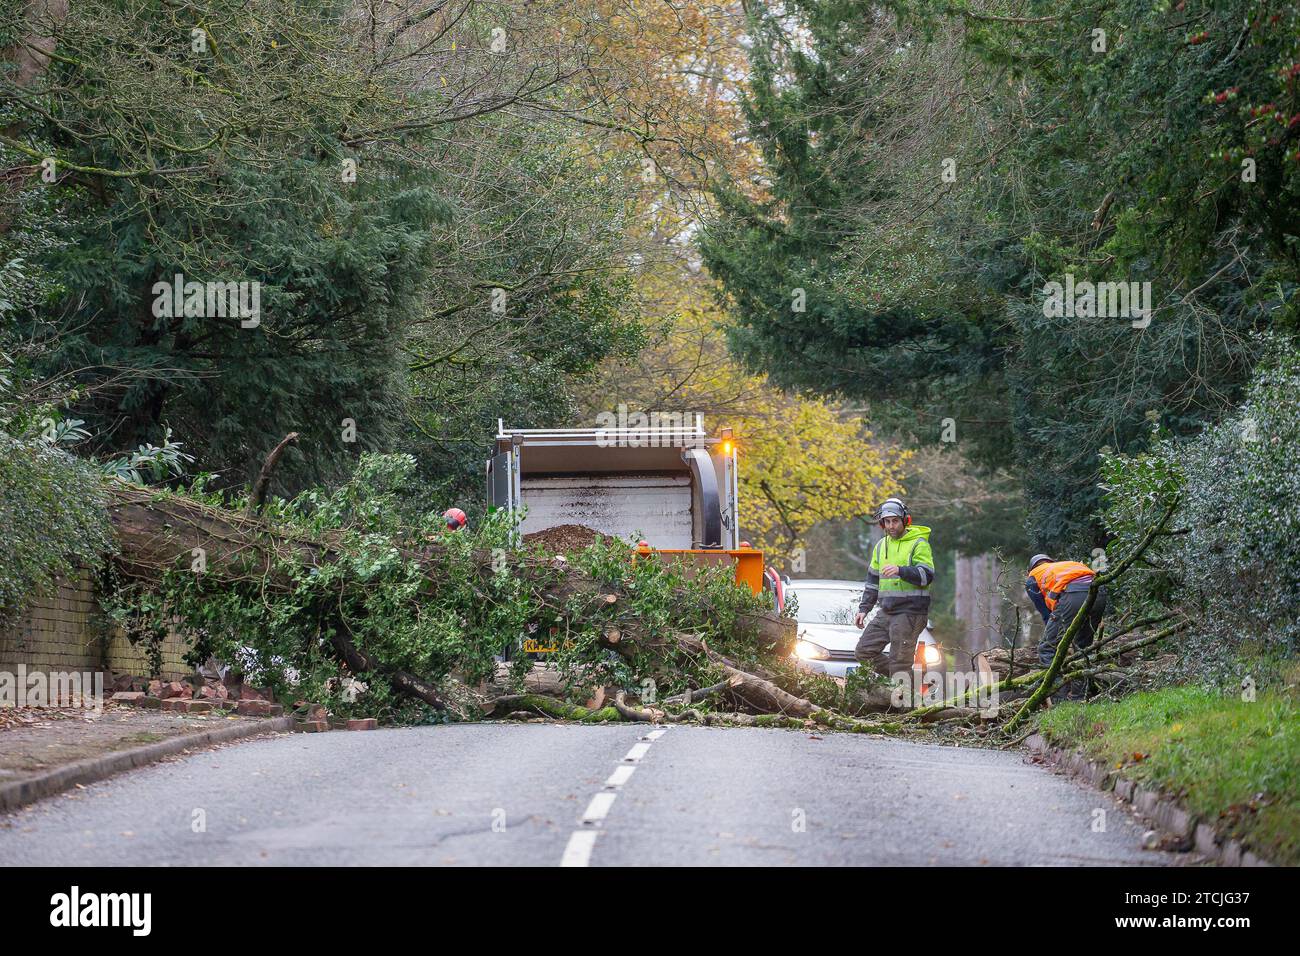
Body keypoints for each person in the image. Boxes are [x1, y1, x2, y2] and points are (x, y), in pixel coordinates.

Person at [854, 498, 935, 679]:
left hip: (910, 613)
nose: (891, 526)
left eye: (895, 521)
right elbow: (873, 580)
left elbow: (927, 575)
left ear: (905, 520)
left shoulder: (919, 544)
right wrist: (864, 609)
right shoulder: (881, 546)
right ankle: (908, 680)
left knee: (900, 663)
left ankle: (903, 702)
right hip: (887, 612)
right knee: (863, 652)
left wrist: (901, 570)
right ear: (882, 524)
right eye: (887, 522)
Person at [1025, 553, 1108, 699]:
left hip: (1073, 595)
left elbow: (1046, 614)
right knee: (1082, 647)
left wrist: (1056, 639)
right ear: (1051, 561)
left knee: (1047, 648)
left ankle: (1059, 698)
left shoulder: (1033, 577)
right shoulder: (1068, 564)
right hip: (1099, 593)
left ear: (1030, 569)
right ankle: (1079, 696)